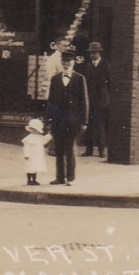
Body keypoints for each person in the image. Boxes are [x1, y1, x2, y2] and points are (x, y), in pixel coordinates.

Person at [46, 51, 88, 185]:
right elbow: (51, 101)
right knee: (58, 150)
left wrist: (84, 121)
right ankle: (59, 177)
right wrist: (49, 120)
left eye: (68, 62)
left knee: (70, 150)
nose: (66, 64)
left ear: (73, 63)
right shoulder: (55, 79)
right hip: (58, 121)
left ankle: (71, 178)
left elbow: (84, 101)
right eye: (64, 61)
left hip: (72, 121)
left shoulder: (79, 79)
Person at [82, 42, 110, 158]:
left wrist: (106, 98)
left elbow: (110, 83)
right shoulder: (88, 66)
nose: (92, 55)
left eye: (94, 53)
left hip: (101, 101)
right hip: (90, 101)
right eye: (91, 53)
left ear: (99, 53)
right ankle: (88, 150)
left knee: (100, 126)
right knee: (89, 126)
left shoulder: (105, 66)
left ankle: (101, 150)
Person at [22, 118, 52, 186]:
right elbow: (26, 147)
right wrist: (26, 154)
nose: (34, 131)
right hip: (31, 156)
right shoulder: (28, 138)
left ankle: (34, 179)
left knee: (34, 168)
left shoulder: (40, 137)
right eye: (32, 129)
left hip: (37, 156)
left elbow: (44, 140)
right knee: (29, 167)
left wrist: (49, 135)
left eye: (35, 129)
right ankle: (29, 180)